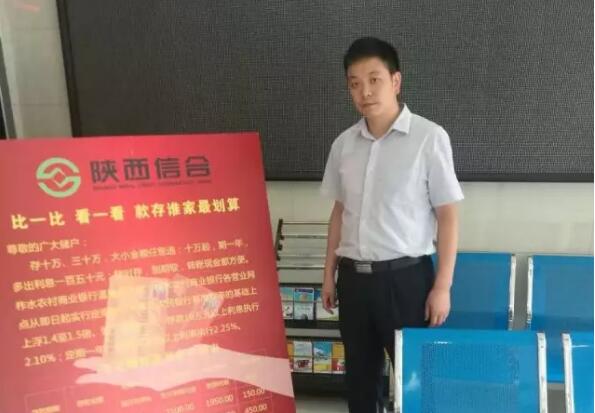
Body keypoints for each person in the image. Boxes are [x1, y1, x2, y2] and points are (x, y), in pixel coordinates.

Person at [320, 37, 464, 413]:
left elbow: (448, 216)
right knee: (360, 383)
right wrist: (328, 273)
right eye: (355, 83)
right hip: (354, 281)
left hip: (406, 281)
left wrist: (442, 287)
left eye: (374, 80)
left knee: (417, 384)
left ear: (395, 81)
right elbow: (339, 212)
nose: (365, 92)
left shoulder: (429, 138)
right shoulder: (343, 145)